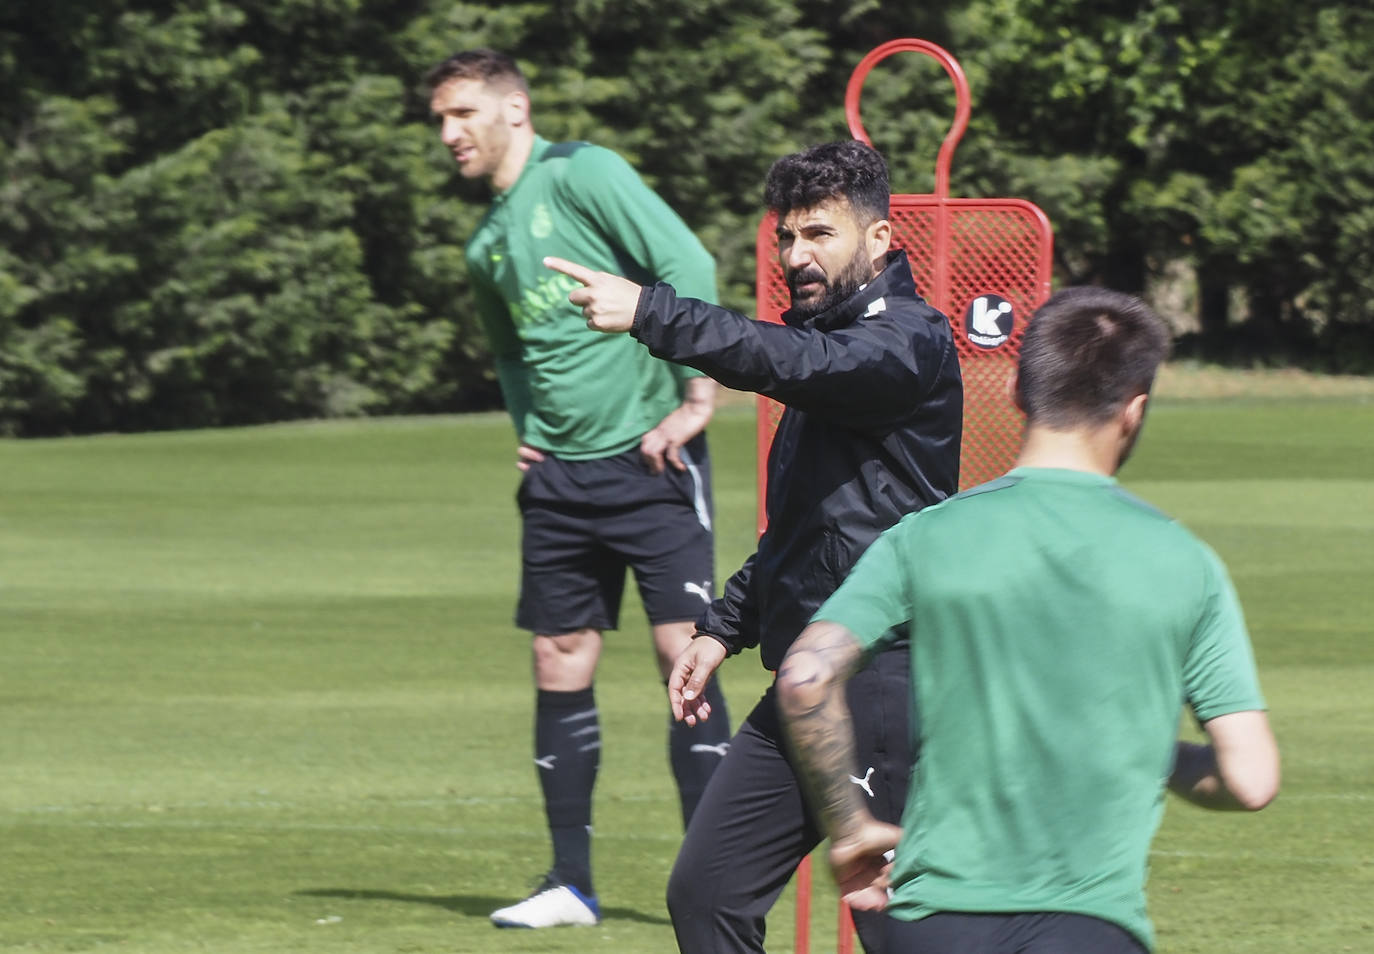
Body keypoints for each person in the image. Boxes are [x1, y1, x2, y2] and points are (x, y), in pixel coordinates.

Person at [545, 139, 963, 953]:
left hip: (886, 676)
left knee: (894, 927)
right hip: (804, 679)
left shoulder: (906, 341)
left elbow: (791, 361)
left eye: (820, 234)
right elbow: (810, 530)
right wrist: (723, 627)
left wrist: (653, 313)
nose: (796, 256)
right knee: (706, 895)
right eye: (786, 238)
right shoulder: (826, 346)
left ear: (879, 240)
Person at [775, 286, 1281, 954]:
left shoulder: (924, 537)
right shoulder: (1187, 563)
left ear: (1018, 392)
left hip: (935, 922)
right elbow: (1250, 780)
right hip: (1091, 925)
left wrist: (849, 828)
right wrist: (1148, 752)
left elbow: (806, 677)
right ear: (1134, 411)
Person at [426, 48, 734, 929]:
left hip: (653, 464)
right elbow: (510, 356)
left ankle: (709, 890)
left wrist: (697, 398)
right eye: (440, 121)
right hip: (560, 482)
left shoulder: (584, 173)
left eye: (462, 114)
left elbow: (689, 265)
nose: (449, 134)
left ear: (513, 110)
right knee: (557, 659)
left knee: (688, 662)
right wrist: (530, 438)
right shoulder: (485, 242)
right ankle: (570, 883)